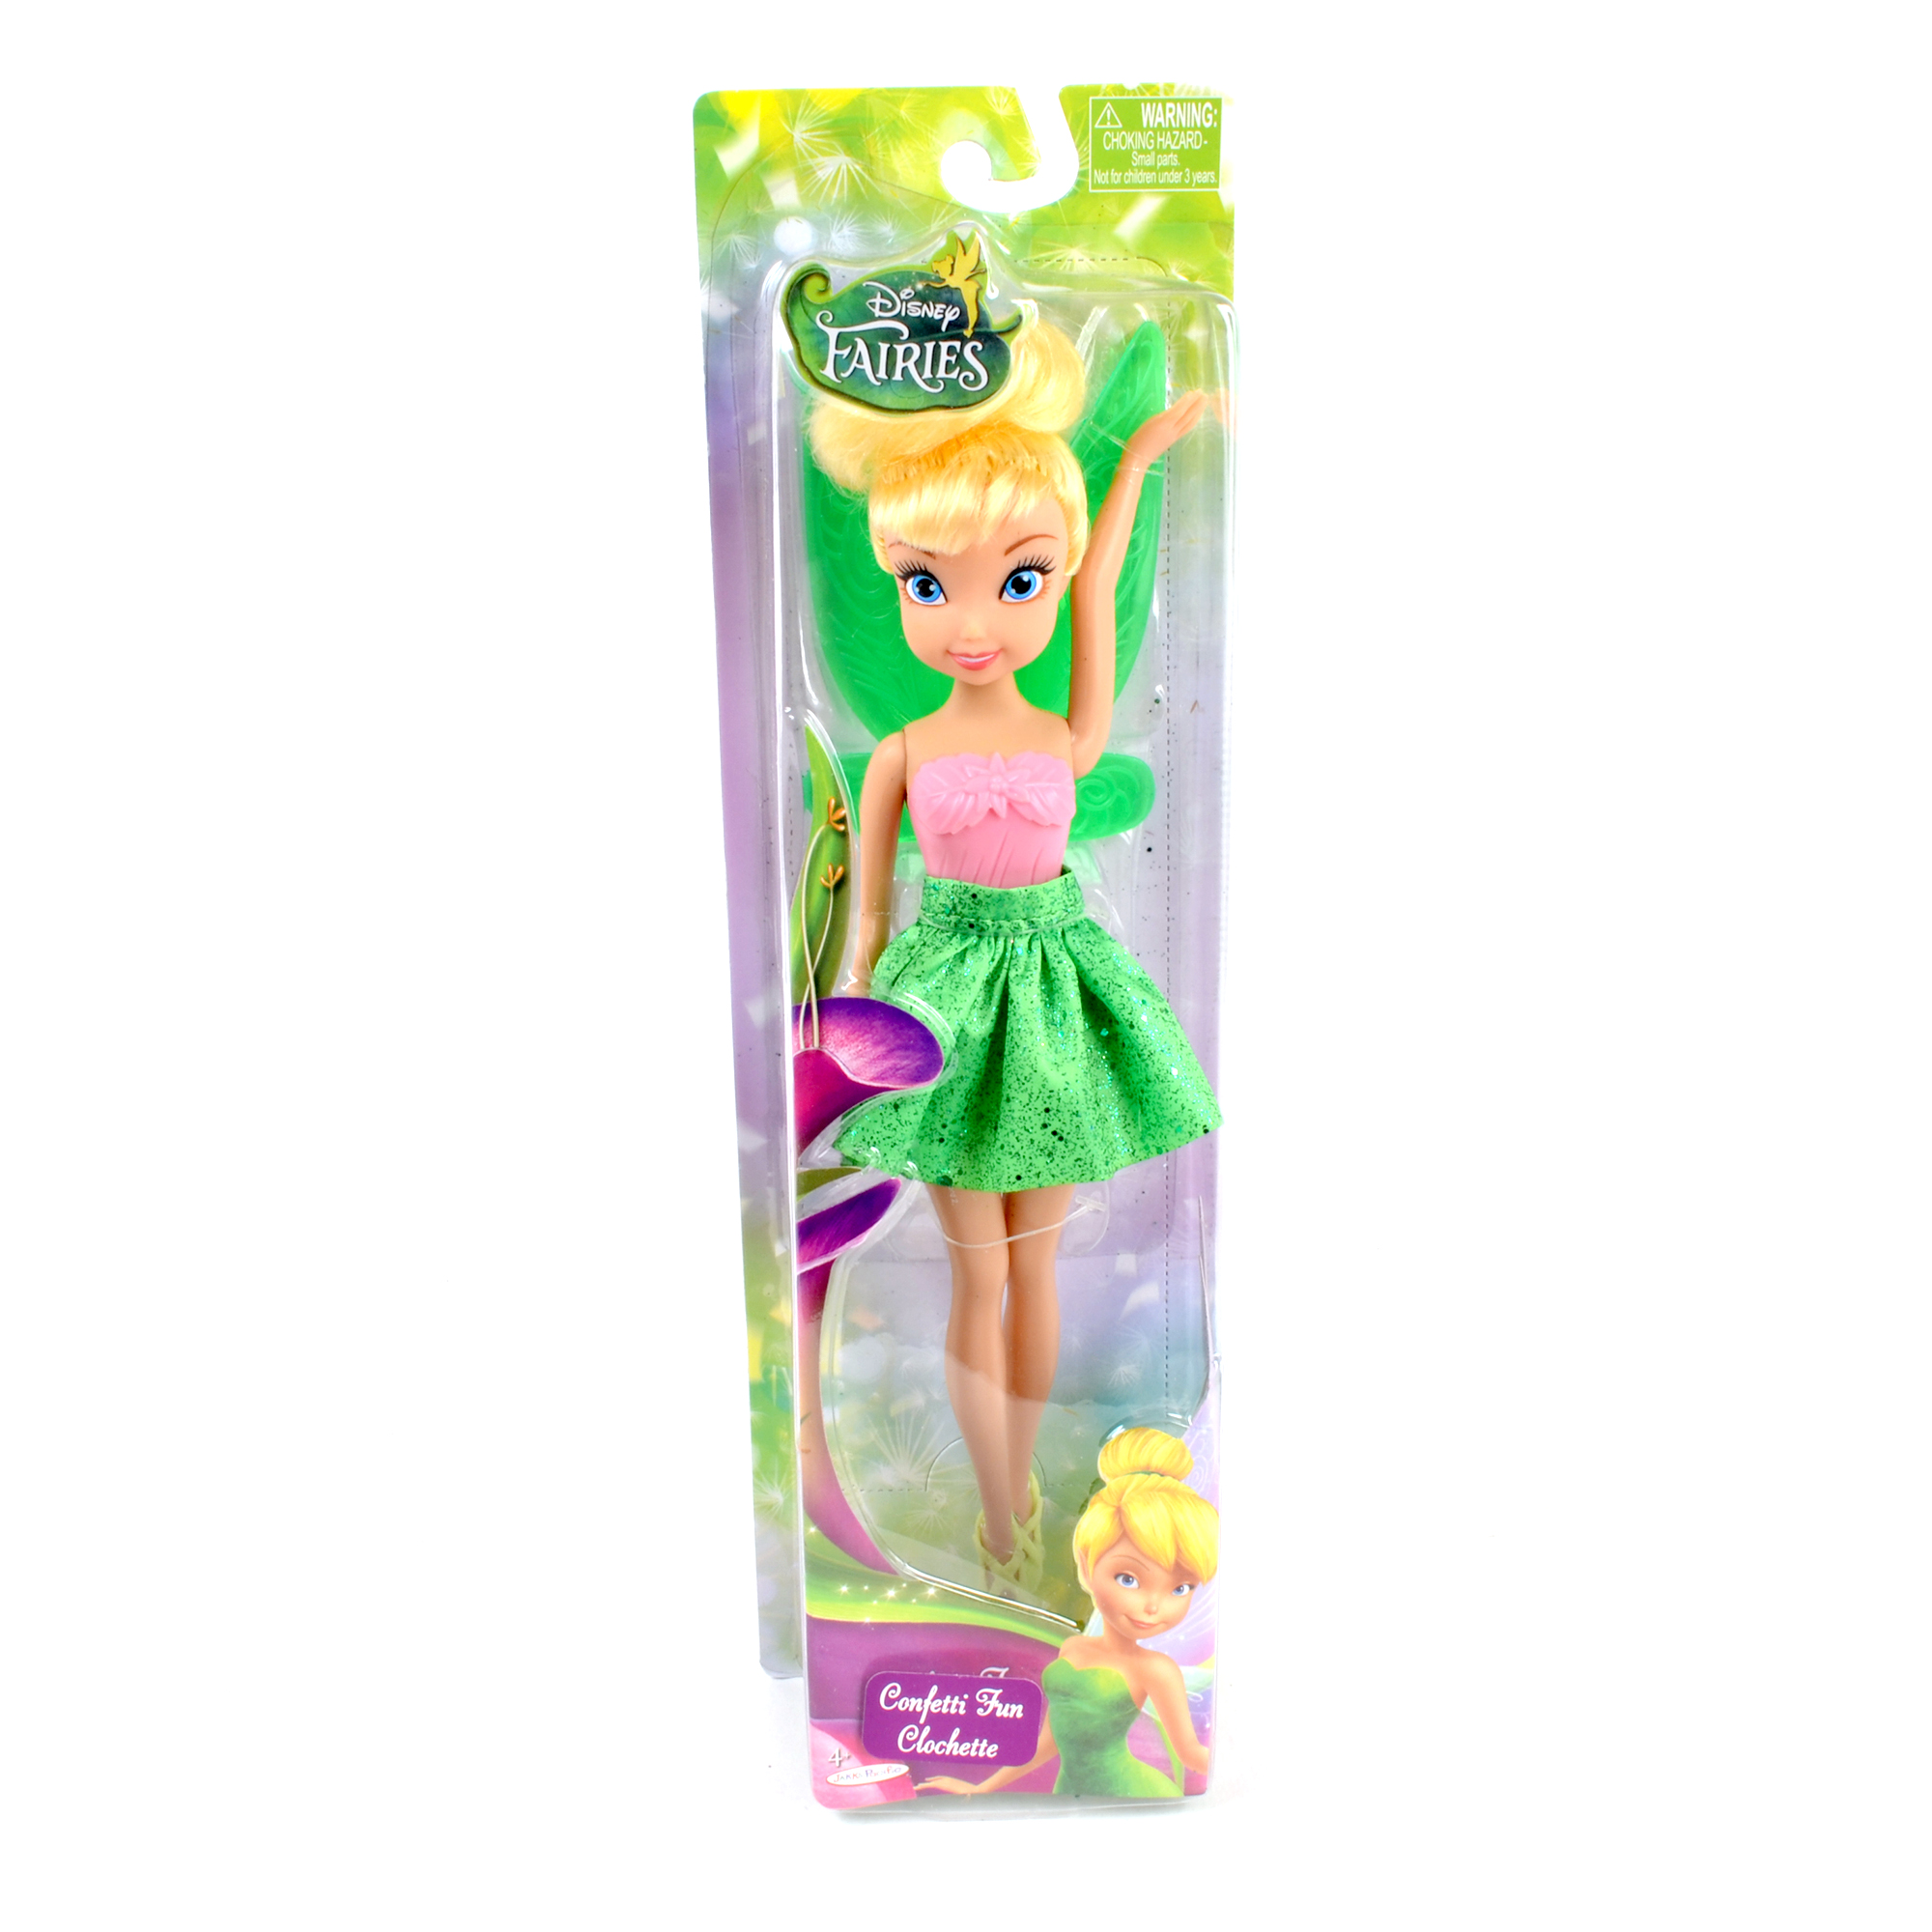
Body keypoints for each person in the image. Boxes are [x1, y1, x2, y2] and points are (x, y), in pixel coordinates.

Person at [810, 316, 1220, 1590]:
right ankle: (997, 1512)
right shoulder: (899, 754)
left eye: (1018, 578)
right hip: (944, 1006)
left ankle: (1020, 1500)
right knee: (973, 1277)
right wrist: (848, 1019)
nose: (973, 621)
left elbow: (1099, 587)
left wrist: (1139, 455)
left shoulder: (1066, 735)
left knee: (1029, 1271)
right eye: (930, 585)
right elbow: (867, 918)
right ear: (895, 585)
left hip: (1049, 1004)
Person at [916, 1427, 1217, 1798]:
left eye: (1180, 1588)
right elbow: (1050, 1743)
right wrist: (980, 1789)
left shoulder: (1156, 1670)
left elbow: (1191, 1753)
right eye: (1128, 1579)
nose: (1154, 1606)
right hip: (1068, 1792)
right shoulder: (1073, 1648)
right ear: (1087, 1567)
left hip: (1133, 1796)